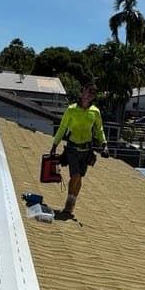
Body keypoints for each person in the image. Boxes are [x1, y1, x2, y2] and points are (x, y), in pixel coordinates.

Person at [49, 81, 108, 220]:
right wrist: (54, 144)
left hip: (86, 149)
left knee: (80, 177)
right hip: (72, 148)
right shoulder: (71, 110)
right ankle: (69, 204)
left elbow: (99, 129)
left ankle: (72, 202)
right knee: (74, 175)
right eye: (87, 91)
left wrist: (104, 144)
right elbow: (62, 127)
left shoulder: (95, 112)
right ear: (82, 92)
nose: (89, 95)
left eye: (92, 94)